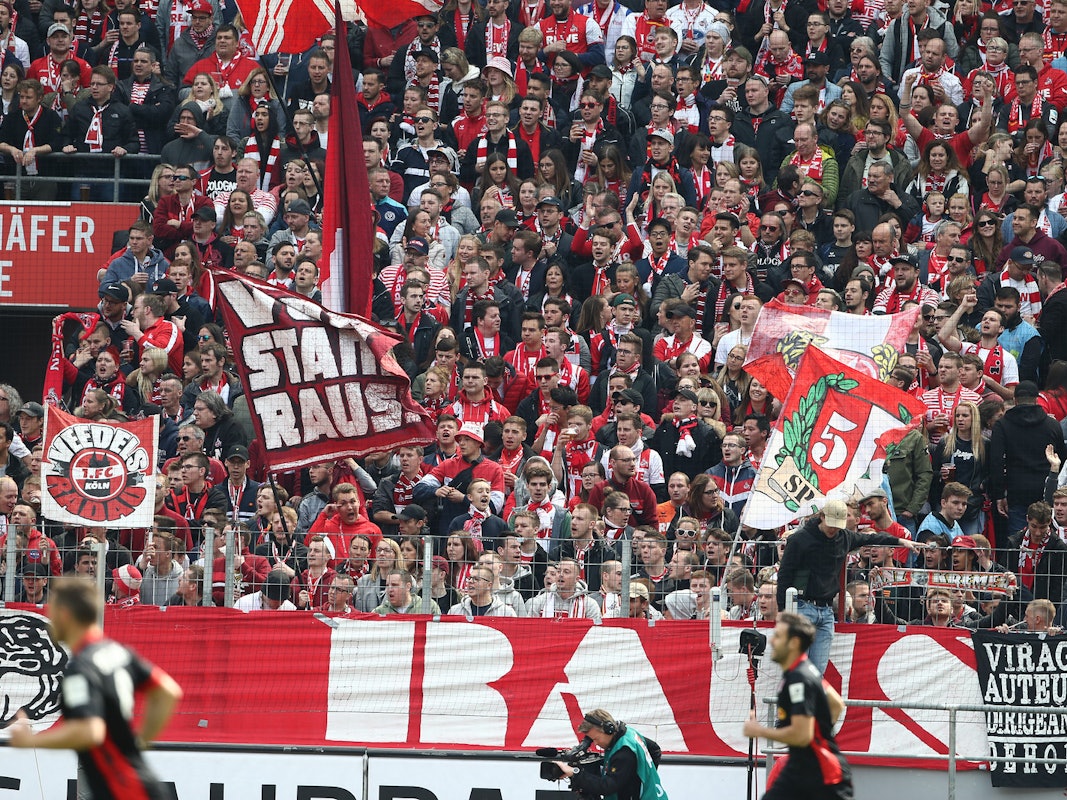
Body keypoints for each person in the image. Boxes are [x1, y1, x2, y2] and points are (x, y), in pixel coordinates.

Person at [8, 577, 183, 800]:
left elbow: (89, 731)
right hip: (141, 786)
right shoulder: (117, 652)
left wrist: (32, 741)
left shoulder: (80, 669)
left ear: (65, 615)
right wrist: (140, 741)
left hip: (120, 792)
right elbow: (168, 692)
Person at [777, 500, 924, 674]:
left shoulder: (845, 537)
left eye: (838, 526)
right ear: (821, 517)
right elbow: (784, 575)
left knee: (817, 672)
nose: (834, 530)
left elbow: (873, 537)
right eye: (831, 525)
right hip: (802, 607)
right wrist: (782, 610)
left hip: (825, 612)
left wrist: (901, 541)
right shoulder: (799, 540)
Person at [742, 611, 853, 800]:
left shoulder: (798, 679)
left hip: (821, 775)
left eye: (778, 636)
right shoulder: (806, 669)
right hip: (805, 767)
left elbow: (801, 735)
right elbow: (836, 704)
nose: (772, 641)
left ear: (793, 643)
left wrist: (759, 731)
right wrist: (821, 736)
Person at [553, 708, 667, 800]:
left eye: (596, 739)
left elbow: (607, 786)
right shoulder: (629, 733)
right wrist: (642, 777)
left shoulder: (624, 751)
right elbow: (655, 750)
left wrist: (575, 773)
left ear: (609, 730)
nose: (596, 743)